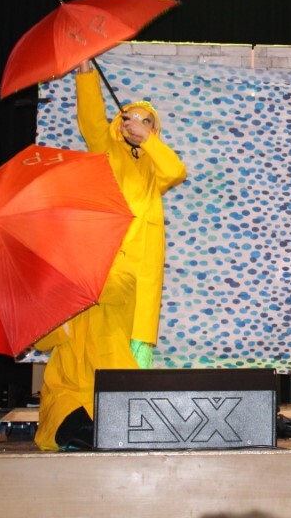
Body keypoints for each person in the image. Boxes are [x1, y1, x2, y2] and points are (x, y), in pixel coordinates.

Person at [34, 58, 187, 451]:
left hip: (136, 289)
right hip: (101, 276)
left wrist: (148, 140)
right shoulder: (107, 155)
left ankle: (119, 427)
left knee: (129, 356)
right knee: (89, 352)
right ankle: (82, 424)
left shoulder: (153, 171)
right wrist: (86, 73)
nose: (136, 124)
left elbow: (176, 170)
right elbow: (91, 122)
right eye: (129, 118)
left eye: (146, 121)